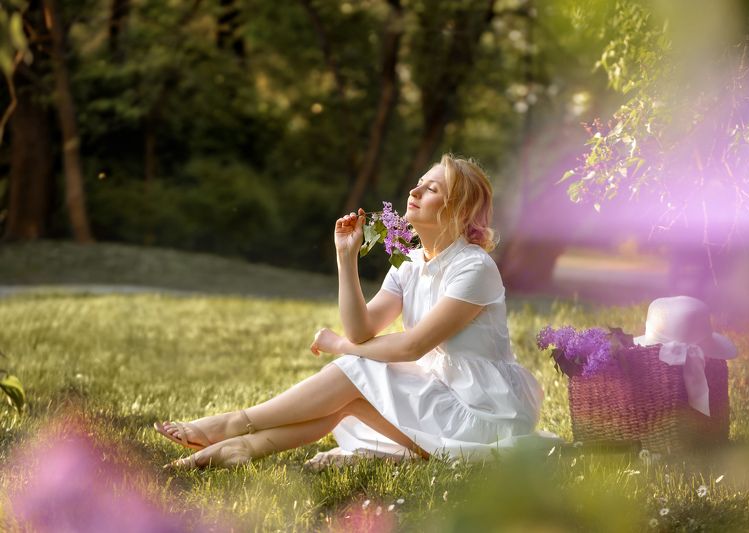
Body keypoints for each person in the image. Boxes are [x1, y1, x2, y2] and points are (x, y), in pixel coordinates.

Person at [154, 154, 545, 469]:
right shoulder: (410, 265)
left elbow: (410, 347)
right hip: (444, 397)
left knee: (359, 372)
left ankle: (234, 423)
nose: (415, 190)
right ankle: (243, 447)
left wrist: (341, 347)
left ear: (459, 210)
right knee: (354, 396)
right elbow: (362, 330)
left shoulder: (474, 268)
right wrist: (347, 258)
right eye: (419, 182)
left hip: (482, 415)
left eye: (432, 188)